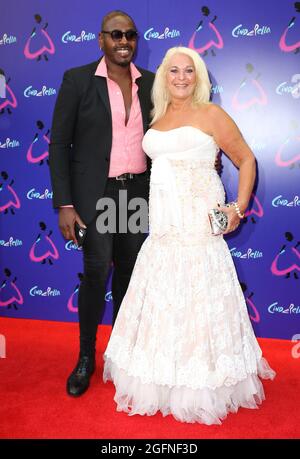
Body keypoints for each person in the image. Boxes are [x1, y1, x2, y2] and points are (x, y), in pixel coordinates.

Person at [103, 46, 276, 425]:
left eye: (189, 71)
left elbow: (246, 158)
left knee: (198, 301)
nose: (181, 77)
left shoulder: (211, 114)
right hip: (163, 229)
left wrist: (238, 207)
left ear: (199, 78)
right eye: (174, 71)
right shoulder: (159, 116)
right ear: (164, 77)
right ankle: (163, 378)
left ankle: (201, 385)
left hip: (198, 229)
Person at [49, 10, 154, 397]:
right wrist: (64, 203)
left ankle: (122, 355)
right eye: (115, 35)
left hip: (136, 192)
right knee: (96, 273)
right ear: (101, 40)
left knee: (129, 273)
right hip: (99, 195)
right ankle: (85, 358)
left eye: (129, 35)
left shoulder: (152, 84)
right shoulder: (78, 81)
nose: (123, 41)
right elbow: (59, 143)